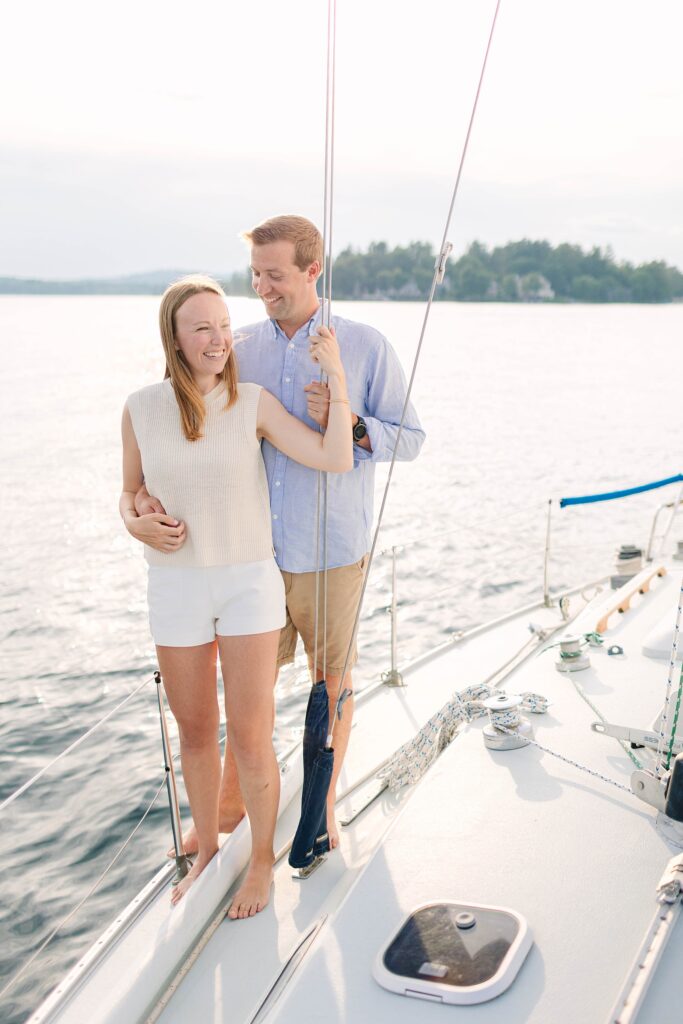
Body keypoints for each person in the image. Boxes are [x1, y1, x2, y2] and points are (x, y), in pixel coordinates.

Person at [135, 215, 425, 856]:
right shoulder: (238, 347)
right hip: (253, 559)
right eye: (256, 274)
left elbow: (411, 440)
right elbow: (192, 428)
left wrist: (348, 424)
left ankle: (320, 809)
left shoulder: (365, 345)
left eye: (275, 273)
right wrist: (144, 504)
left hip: (331, 552)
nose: (262, 286)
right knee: (250, 698)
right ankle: (232, 816)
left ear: (312, 270)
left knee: (331, 681)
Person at [120, 274, 352, 916]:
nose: (219, 339)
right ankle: (205, 855)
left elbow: (334, 459)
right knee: (195, 734)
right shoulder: (141, 407)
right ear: (174, 336)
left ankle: (259, 865)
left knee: (249, 737)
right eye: (202, 327)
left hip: (249, 584)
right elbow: (127, 493)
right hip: (175, 587)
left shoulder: (250, 402)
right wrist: (136, 520)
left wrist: (334, 378)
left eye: (224, 326)